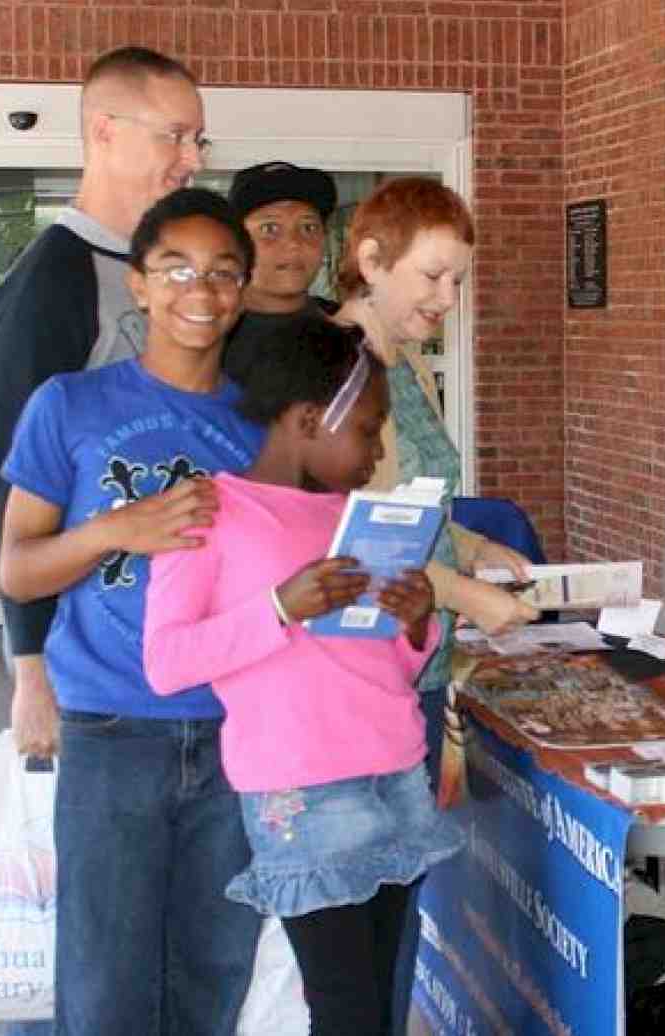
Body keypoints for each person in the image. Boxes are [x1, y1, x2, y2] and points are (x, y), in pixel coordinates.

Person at [143, 316, 462, 1036]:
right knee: (343, 1009)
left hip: (395, 774)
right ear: (311, 419)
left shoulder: (357, 516)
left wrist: (417, 624)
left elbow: (381, 657)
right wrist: (280, 606)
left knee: (378, 997)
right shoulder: (212, 514)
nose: (378, 451)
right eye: (370, 430)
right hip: (303, 795)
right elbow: (168, 663)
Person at [0, 188, 265, 1034]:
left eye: (224, 273)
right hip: (113, 731)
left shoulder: (264, 426)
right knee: (105, 984)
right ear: (139, 286)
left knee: (212, 977)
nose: (202, 290)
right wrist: (119, 530)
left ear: (245, 292)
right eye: (176, 268)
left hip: (235, 734)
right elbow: (18, 569)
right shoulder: (69, 406)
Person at [332, 177, 536, 1033]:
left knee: (404, 890)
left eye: (459, 281)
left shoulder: (405, 358)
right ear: (370, 262)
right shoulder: (340, 367)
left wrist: (479, 547)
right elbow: (359, 538)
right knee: (369, 904)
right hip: (364, 669)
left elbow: (423, 506)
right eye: (432, 278)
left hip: (417, 657)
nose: (448, 300)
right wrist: (471, 596)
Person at [0, 46, 207, 768]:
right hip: (89, 665)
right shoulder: (54, 281)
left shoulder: (152, 267)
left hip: (165, 646)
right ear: (105, 131)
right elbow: (10, 491)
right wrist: (30, 669)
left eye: (198, 139)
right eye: (173, 135)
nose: (192, 159)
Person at [221, 160, 341, 385]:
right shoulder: (209, 334)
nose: (293, 243)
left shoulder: (348, 329)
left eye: (308, 227)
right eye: (270, 228)